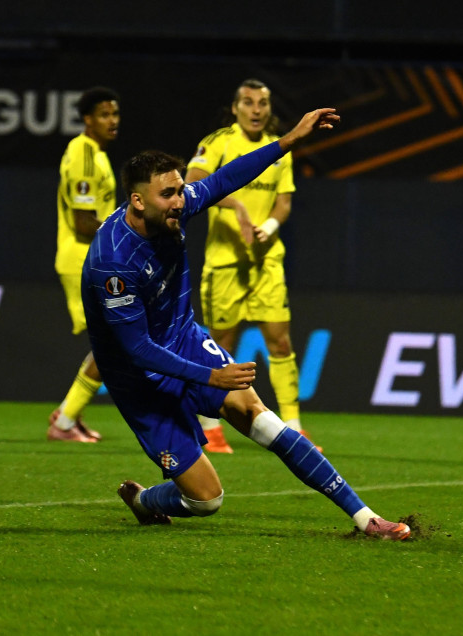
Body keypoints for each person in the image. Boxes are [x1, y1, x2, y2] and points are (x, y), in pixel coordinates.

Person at [82, 107, 410, 539]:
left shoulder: (175, 207)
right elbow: (137, 349)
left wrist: (288, 140)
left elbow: (223, 179)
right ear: (139, 201)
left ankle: (367, 519)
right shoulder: (112, 263)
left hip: (183, 341)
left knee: (260, 416)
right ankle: (144, 501)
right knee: (206, 500)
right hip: (137, 379)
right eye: (169, 194)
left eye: (181, 190)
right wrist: (211, 375)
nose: (181, 200)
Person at [184, 78, 311, 454]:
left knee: (281, 340)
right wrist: (236, 207)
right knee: (219, 345)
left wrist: (266, 228)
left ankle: (294, 426)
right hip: (224, 263)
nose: (256, 109)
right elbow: (192, 183)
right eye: (248, 102)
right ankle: (209, 427)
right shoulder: (219, 141)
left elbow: (283, 204)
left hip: (265, 262)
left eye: (263, 103)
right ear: (236, 108)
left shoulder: (278, 149)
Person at [48, 86, 121, 443]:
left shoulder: (96, 154)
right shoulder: (84, 155)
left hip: (92, 258)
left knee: (111, 341)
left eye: (115, 114)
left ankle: (69, 416)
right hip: (82, 258)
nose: (113, 121)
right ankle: (63, 421)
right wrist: (126, 234)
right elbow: (83, 221)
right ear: (88, 119)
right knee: (113, 341)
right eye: (105, 114)